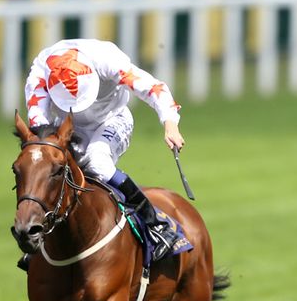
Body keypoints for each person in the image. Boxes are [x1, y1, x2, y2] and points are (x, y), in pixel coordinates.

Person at [23, 38, 185, 262]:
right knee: (51, 167)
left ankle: (155, 223)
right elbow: (39, 129)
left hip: (112, 119)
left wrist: (170, 122)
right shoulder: (40, 75)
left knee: (97, 162)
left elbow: (152, 87)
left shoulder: (106, 60)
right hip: (67, 129)